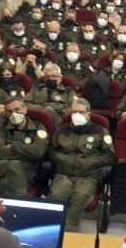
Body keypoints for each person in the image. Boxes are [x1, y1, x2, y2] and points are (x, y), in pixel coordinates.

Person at [48, 98, 115, 231]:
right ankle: (54, 230)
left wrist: (89, 162)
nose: (76, 115)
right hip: (64, 173)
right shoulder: (62, 130)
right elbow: (52, 150)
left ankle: (69, 230)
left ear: (88, 114)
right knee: (57, 195)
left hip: (88, 176)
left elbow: (109, 155)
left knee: (79, 197)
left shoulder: (100, 131)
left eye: (81, 112)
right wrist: (64, 159)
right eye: (74, 112)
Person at [0, 96, 49, 196]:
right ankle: (20, 209)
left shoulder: (38, 127)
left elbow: (38, 151)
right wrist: (25, 154)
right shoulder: (1, 127)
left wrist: (14, 146)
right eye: (9, 111)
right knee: (14, 165)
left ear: (25, 109)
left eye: (17, 109)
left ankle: (6, 210)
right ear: (6, 114)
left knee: (5, 183)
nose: (14, 113)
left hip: (28, 171)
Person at [27, 63, 77, 128]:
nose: (51, 79)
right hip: (38, 117)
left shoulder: (68, 90)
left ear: (60, 78)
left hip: (59, 117)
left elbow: (75, 107)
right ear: (45, 79)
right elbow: (24, 104)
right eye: (47, 77)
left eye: (54, 76)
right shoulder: (36, 88)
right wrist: (43, 108)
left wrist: (59, 111)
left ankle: (59, 130)